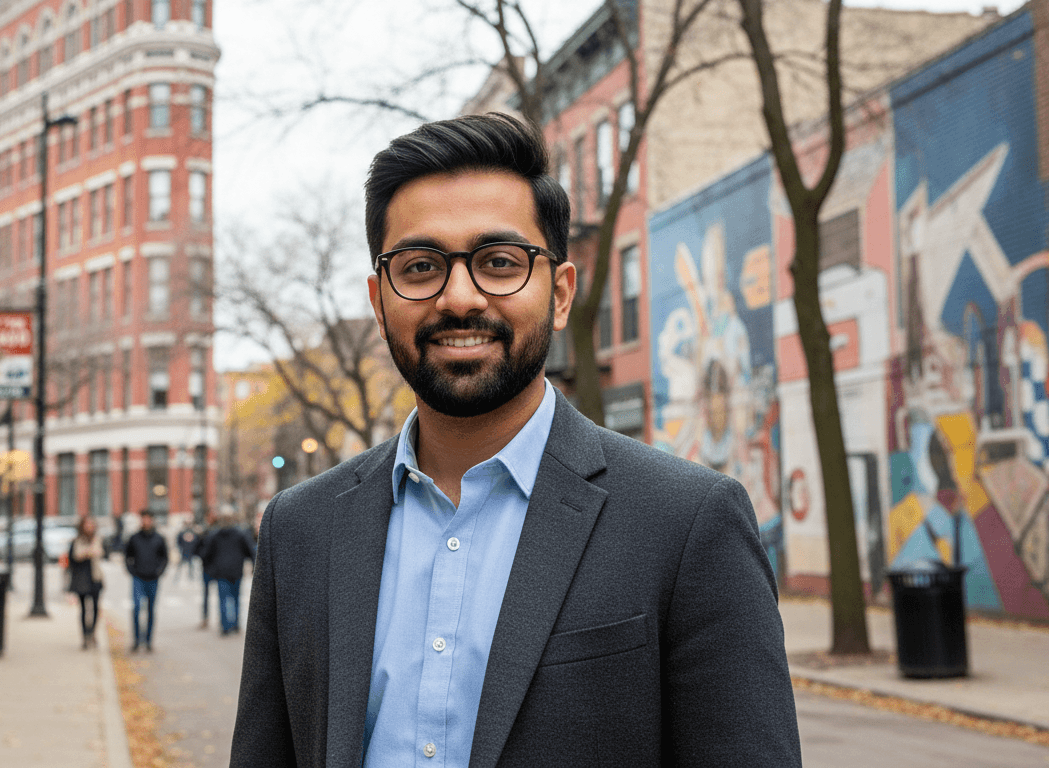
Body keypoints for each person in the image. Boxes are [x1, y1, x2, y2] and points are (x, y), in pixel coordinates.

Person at [230, 114, 801, 766]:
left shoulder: (686, 524)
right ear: (380, 298)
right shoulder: (299, 529)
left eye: (499, 262)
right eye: (419, 267)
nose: (459, 297)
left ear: (559, 294)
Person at [201, 513, 255, 635]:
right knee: (236, 598)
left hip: (221, 572)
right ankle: (235, 625)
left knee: (223, 599)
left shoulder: (215, 535)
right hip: (236, 571)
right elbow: (250, 551)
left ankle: (225, 626)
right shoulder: (240, 534)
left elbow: (206, 554)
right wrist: (253, 565)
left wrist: (209, 569)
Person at [124, 509, 169, 652]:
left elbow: (165, 557)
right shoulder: (134, 538)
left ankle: (148, 641)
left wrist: (159, 571)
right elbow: (127, 556)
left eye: (149, 519)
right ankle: (137, 640)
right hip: (138, 578)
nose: (146, 521)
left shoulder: (159, 538)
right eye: (144, 519)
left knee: (151, 610)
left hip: (153, 578)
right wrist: (132, 571)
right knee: (137, 608)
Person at [67, 516, 104, 650]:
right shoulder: (77, 541)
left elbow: (99, 552)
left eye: (91, 524)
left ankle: (92, 632)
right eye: (87, 524)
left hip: (95, 578)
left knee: (95, 608)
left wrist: (87, 553)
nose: (89, 527)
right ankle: (84, 636)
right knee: (83, 609)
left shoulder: (97, 539)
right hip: (81, 579)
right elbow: (74, 557)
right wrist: (88, 553)